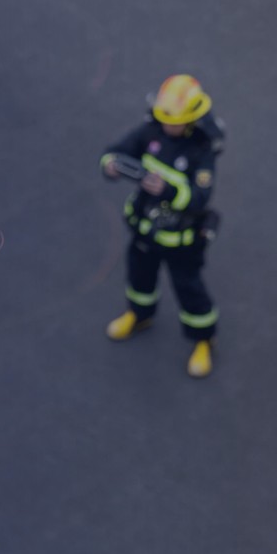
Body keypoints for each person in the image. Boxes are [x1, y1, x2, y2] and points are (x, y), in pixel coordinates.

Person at [100, 74, 225, 377]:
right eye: (165, 120)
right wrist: (111, 165)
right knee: (139, 279)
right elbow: (115, 151)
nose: (168, 126)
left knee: (189, 290)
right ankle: (139, 315)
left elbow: (199, 197)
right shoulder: (151, 131)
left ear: (192, 119)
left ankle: (203, 340)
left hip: (182, 242)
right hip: (145, 231)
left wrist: (167, 190)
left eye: (175, 122)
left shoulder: (201, 149)